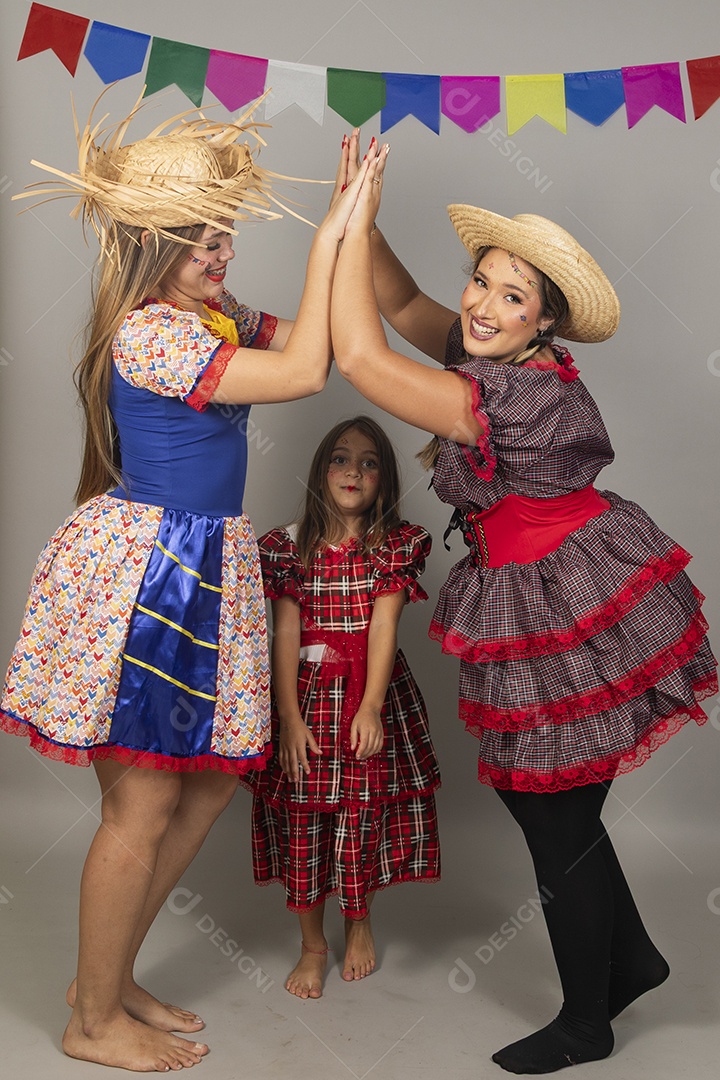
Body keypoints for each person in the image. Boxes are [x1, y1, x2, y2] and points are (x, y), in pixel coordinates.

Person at [328, 141, 717, 1073]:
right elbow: (403, 304)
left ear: (547, 321)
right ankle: (633, 961)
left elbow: (359, 354)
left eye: (514, 295)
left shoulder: (505, 397)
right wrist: (361, 219)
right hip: (549, 588)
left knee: (559, 823)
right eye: (483, 281)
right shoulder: (494, 361)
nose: (484, 305)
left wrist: (332, 238)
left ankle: (587, 1021)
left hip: (570, 604)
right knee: (555, 812)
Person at [0, 95, 371, 1072]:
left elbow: (323, 342)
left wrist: (350, 233)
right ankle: (90, 1023)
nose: (223, 252)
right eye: (205, 241)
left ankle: (106, 979)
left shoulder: (208, 314)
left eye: (225, 235)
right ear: (148, 245)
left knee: (203, 791)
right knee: (142, 807)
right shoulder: (153, 334)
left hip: (201, 569)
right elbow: (302, 374)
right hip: (153, 581)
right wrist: (327, 236)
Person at [247, 416, 440, 999]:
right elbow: (285, 633)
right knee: (303, 818)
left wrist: (371, 706)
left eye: (369, 462)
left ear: (384, 479)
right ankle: (313, 944)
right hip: (305, 698)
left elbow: (384, 625)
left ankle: (359, 920)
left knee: (362, 813)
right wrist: (288, 717)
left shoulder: (393, 546)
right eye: (340, 458)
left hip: (369, 692)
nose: (353, 471)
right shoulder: (287, 546)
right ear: (320, 470)